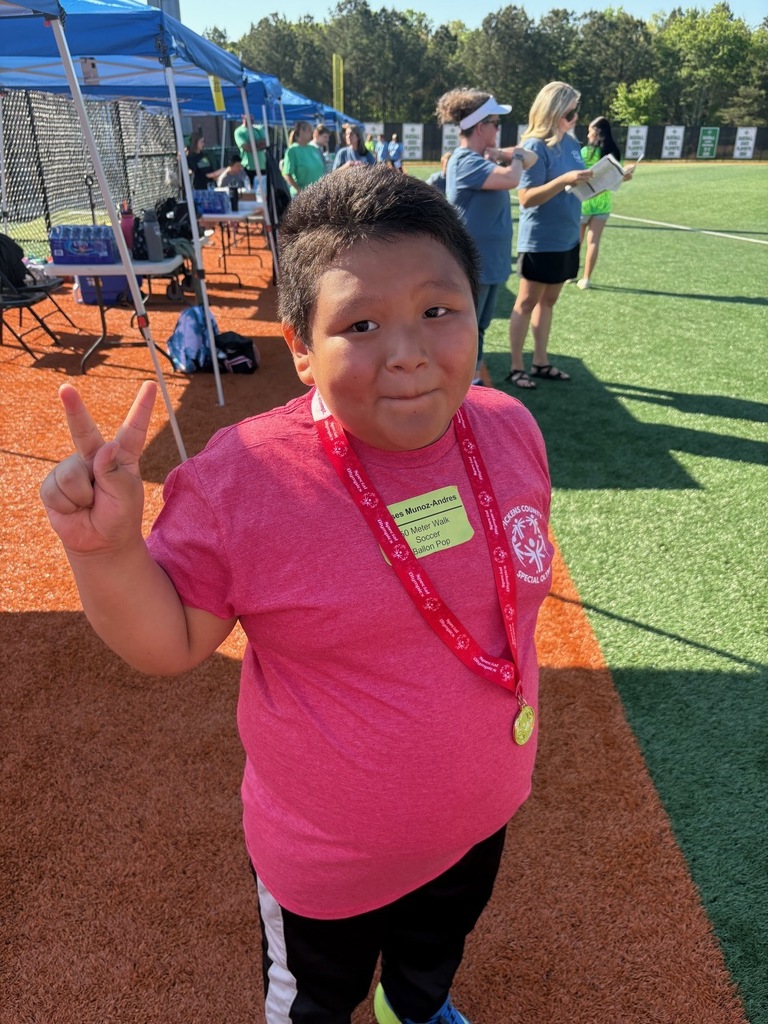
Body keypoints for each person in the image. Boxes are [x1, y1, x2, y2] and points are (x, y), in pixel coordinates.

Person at [40, 166, 553, 1024]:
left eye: (438, 309)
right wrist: (107, 552)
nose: (409, 352)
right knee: (318, 1000)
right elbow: (168, 645)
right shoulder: (246, 479)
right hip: (328, 861)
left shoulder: (507, 426)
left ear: (477, 306)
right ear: (299, 348)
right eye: (360, 324)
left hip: (482, 812)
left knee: (429, 964)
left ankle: (415, 1008)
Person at [437, 89, 538, 387]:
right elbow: (513, 177)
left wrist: (505, 154)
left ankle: (474, 377)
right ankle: (463, 380)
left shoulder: (479, 158)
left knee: (479, 326)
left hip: (489, 263)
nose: (498, 128)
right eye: (495, 122)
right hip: (474, 263)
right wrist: (513, 156)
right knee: (466, 327)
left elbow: (528, 158)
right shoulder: (466, 161)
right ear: (481, 127)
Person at [506, 81, 594, 389]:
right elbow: (527, 197)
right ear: (553, 111)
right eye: (570, 112)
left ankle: (540, 361)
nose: (575, 119)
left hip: (567, 235)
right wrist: (565, 179)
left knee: (550, 301)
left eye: (575, 112)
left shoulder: (571, 143)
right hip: (540, 239)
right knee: (527, 301)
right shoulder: (533, 146)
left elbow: (577, 185)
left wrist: (610, 177)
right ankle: (517, 367)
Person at [576, 116, 624, 290]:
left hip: (583, 200)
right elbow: (618, 178)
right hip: (603, 202)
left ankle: (569, 273)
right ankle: (586, 278)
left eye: (590, 130)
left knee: (576, 241)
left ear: (596, 132)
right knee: (594, 241)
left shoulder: (585, 152)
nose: (588, 134)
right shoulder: (615, 153)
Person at [281, 121, 326, 195]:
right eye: (309, 130)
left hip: (318, 193)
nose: (311, 132)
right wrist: (299, 190)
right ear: (301, 131)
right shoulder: (292, 151)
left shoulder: (313, 149)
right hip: (302, 196)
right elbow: (287, 174)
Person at [234, 114, 267, 187]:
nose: (251, 117)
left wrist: (253, 145)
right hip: (248, 167)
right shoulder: (239, 131)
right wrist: (258, 145)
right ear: (243, 116)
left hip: (262, 166)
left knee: (264, 190)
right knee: (251, 189)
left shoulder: (259, 129)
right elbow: (246, 147)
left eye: (252, 115)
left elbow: (265, 143)